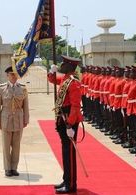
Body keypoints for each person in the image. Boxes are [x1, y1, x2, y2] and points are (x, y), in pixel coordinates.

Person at [48, 55, 83, 194]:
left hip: (69, 118)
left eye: (64, 64)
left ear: (70, 66)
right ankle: (66, 179)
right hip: (63, 117)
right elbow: (52, 79)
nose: (61, 65)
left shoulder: (73, 82)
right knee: (65, 151)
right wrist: (51, 71)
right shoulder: (65, 79)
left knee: (69, 153)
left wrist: (70, 124)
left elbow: (75, 105)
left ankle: (71, 184)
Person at [0, 66, 29, 177]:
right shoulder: (1, 88)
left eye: (15, 74)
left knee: (16, 145)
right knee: (6, 145)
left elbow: (26, 106)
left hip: (18, 119)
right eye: (11, 74)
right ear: (7, 76)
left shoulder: (23, 88)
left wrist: (26, 119)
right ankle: (7, 168)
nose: (13, 76)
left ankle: (14, 168)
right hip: (6, 120)